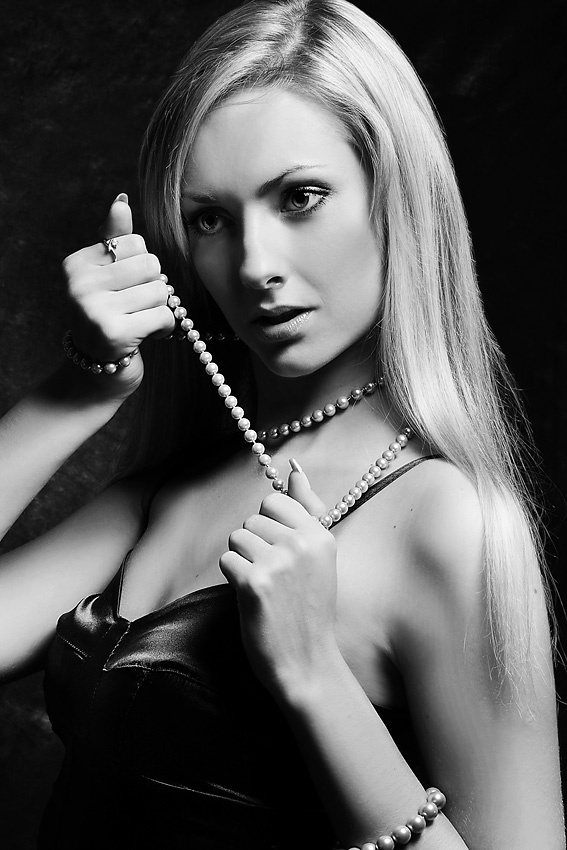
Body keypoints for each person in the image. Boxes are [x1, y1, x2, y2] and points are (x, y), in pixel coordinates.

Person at [0, 0, 563, 847]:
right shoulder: (169, 492)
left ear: (396, 199)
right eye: (210, 219)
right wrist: (79, 389)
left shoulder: (449, 522)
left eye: (299, 197)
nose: (255, 265)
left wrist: (312, 675)